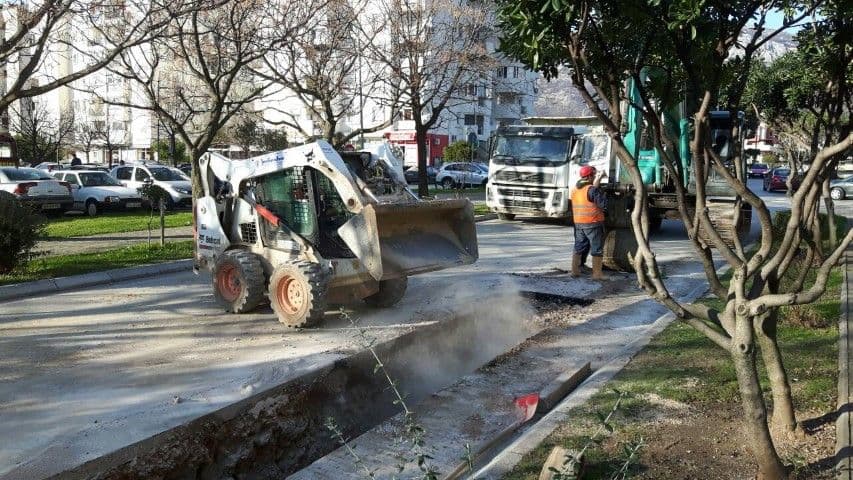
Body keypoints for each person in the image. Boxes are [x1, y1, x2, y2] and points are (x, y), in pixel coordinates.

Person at [571, 165, 607, 280]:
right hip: (593, 223)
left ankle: (575, 271)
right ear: (590, 176)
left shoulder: (575, 189)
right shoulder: (592, 190)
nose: (595, 177)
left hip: (578, 224)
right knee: (596, 249)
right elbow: (603, 205)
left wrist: (597, 182)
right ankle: (597, 275)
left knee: (578, 247)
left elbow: (588, 196)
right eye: (594, 175)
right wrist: (604, 195)